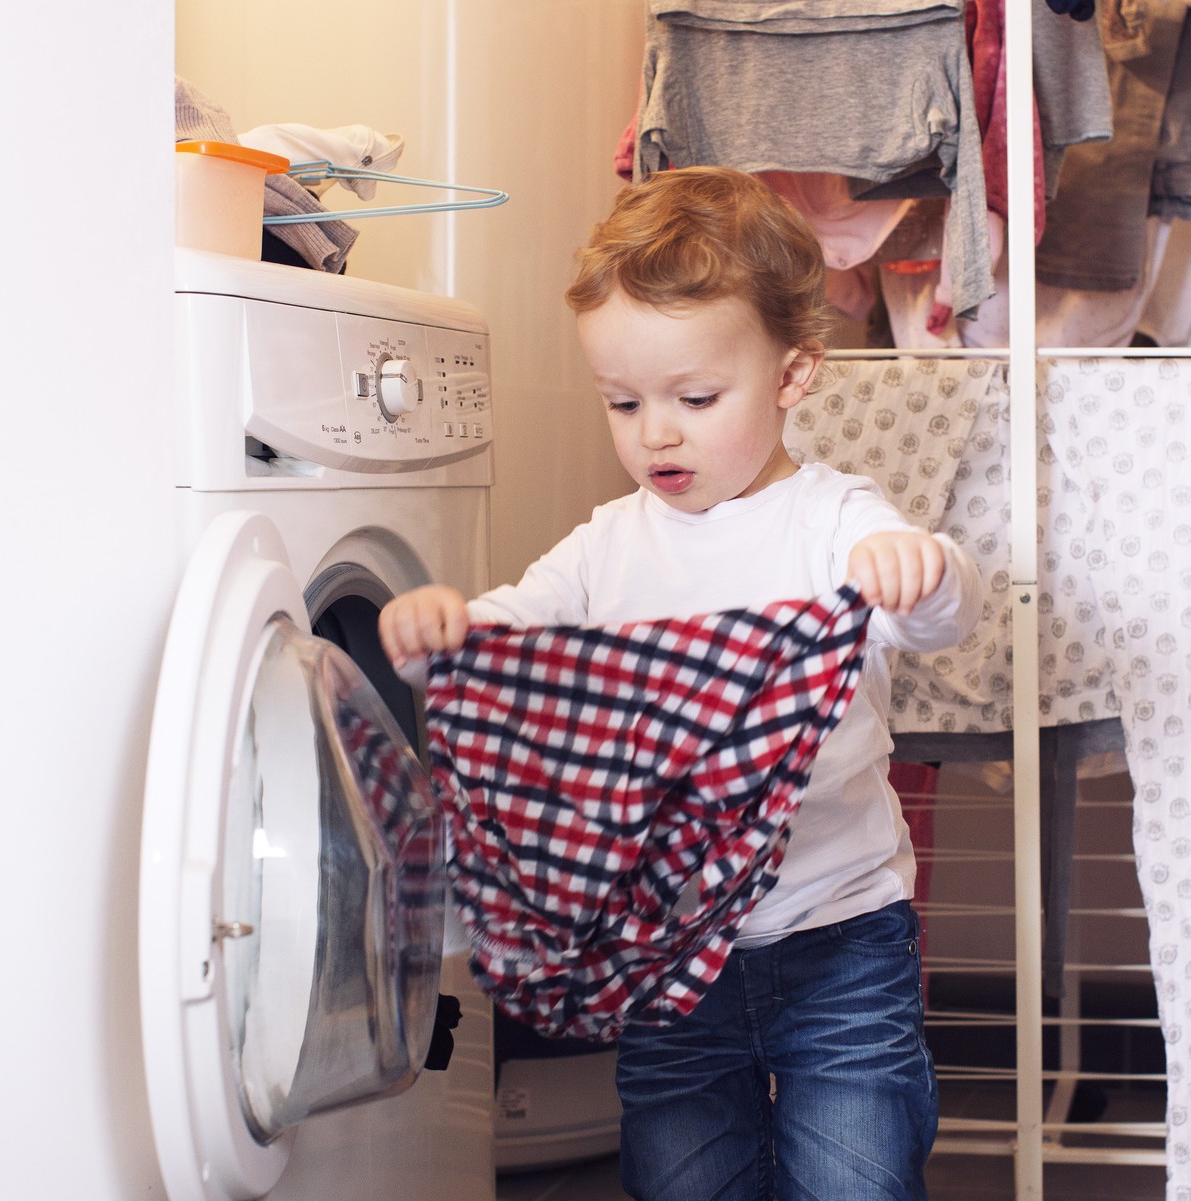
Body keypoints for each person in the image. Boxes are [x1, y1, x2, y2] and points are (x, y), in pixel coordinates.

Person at [379, 165, 981, 1201]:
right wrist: (448, 628)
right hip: (662, 950)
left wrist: (922, 570)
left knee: (859, 1175)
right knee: (682, 1174)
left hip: (840, 936)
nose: (656, 431)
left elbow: (944, 609)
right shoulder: (606, 547)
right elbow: (512, 631)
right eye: (624, 401)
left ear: (794, 375)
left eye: (695, 398)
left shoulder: (837, 521)